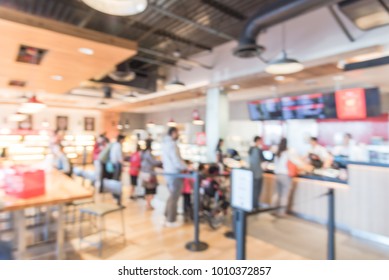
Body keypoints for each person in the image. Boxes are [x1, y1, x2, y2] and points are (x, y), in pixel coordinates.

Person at [161, 127, 187, 227]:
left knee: (171, 196)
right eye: (177, 133)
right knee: (174, 197)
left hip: (168, 173)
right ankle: (171, 220)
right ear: (173, 133)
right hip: (175, 174)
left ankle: (166, 215)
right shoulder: (172, 145)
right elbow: (176, 161)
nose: (178, 135)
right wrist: (186, 167)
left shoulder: (165, 144)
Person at [273, 138, 301, 217]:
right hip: (285, 176)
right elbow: (297, 162)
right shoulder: (288, 153)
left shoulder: (278, 153)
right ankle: (281, 212)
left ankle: (273, 210)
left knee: (277, 194)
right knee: (284, 195)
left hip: (277, 175)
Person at [140, 141, 161, 210]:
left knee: (147, 190)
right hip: (149, 174)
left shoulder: (143, 153)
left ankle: (148, 204)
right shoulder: (148, 153)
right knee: (150, 190)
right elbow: (154, 162)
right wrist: (162, 161)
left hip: (144, 173)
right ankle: (148, 204)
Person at [248, 136, 264, 208]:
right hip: (257, 173)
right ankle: (255, 204)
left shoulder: (250, 149)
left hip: (251, 172)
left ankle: (252, 203)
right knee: (257, 190)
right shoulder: (258, 150)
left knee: (252, 189)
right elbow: (263, 160)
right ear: (257, 141)